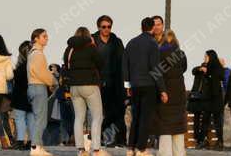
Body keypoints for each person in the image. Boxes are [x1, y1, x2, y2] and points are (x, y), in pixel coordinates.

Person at [124, 16, 166, 156]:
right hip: (149, 85)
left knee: (136, 117)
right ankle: (141, 149)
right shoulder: (152, 43)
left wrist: (127, 85)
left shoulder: (131, 43)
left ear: (141, 27)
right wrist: (162, 89)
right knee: (145, 118)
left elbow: (125, 66)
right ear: (152, 28)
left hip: (135, 85)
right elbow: (156, 69)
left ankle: (130, 148)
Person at [63, 26, 107, 156]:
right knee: (97, 116)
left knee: (79, 117)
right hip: (90, 85)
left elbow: (66, 64)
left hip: (74, 87)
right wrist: (93, 45)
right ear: (88, 36)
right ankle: (96, 149)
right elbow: (101, 63)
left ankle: (81, 150)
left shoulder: (69, 49)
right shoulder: (91, 47)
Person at [92, 16, 126, 148]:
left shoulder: (117, 41)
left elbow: (123, 62)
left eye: (109, 27)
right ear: (99, 27)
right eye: (104, 27)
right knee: (101, 113)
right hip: (98, 83)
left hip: (115, 82)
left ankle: (120, 140)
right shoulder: (92, 41)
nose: (106, 29)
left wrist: (125, 83)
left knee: (118, 112)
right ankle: (97, 138)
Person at [152, 30, 187, 156]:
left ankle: (165, 153)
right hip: (179, 93)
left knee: (165, 127)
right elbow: (184, 69)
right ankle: (179, 153)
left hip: (165, 93)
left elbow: (156, 73)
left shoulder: (159, 53)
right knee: (178, 128)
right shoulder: (181, 54)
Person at [190, 50, 225, 150]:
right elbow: (194, 71)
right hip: (207, 99)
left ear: (211, 57)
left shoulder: (217, 68)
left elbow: (220, 76)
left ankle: (220, 142)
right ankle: (202, 141)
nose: (205, 57)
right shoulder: (204, 67)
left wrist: (209, 73)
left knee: (217, 122)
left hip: (216, 99)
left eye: (206, 56)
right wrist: (203, 69)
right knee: (205, 121)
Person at [27, 28, 54, 156]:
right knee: (41, 119)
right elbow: (40, 72)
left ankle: (38, 146)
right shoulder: (37, 54)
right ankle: (36, 147)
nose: (47, 38)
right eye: (44, 36)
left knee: (39, 118)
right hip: (38, 87)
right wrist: (52, 81)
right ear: (36, 38)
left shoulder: (34, 53)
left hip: (34, 87)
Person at [11, 40, 33, 149]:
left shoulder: (20, 68)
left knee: (20, 118)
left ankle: (20, 141)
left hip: (20, 95)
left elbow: (16, 80)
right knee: (31, 119)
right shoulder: (34, 66)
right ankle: (31, 142)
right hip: (33, 95)